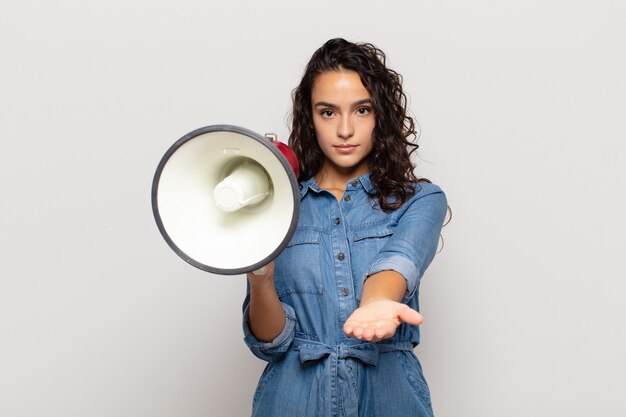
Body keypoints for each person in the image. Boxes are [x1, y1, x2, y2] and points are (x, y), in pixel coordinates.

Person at [242, 38, 448, 417]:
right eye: (328, 112)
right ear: (310, 118)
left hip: (389, 397)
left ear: (380, 115)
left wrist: (377, 303)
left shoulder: (421, 200)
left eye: (362, 110)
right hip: (291, 399)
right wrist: (260, 277)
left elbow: (399, 260)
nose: (346, 129)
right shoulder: (279, 208)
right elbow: (269, 342)